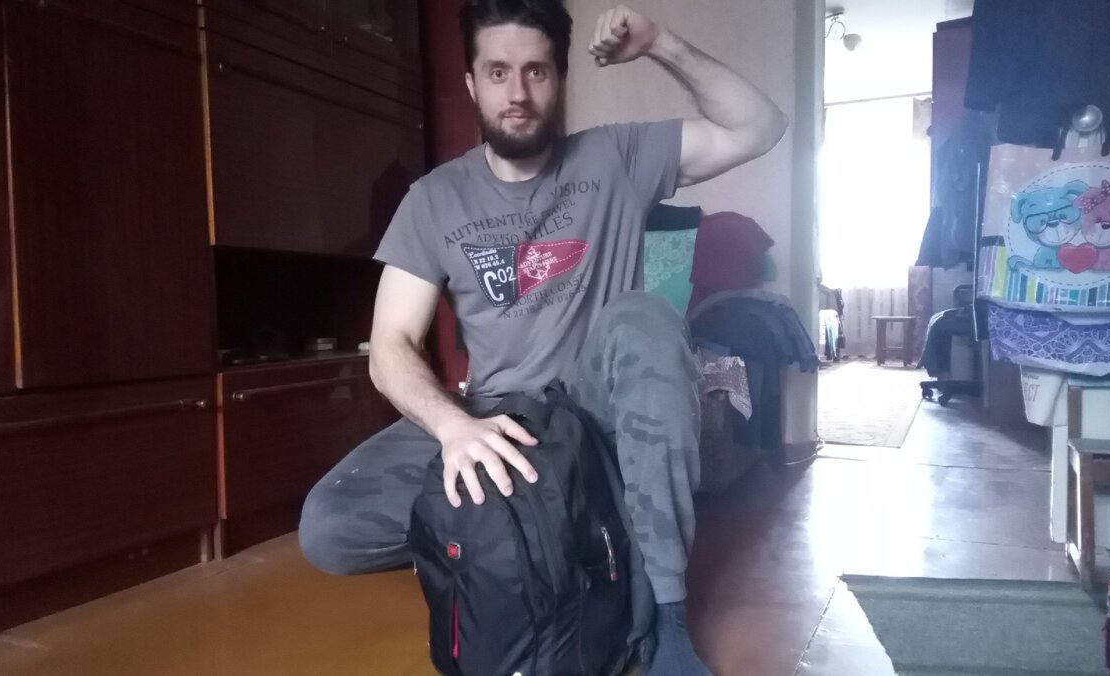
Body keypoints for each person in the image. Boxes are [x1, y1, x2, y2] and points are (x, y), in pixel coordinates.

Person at [298, 2, 786, 673]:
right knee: (330, 525)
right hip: (492, 415)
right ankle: (537, 532)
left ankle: (666, 623)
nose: (518, 93)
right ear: (472, 83)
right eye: (498, 72)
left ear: (560, 79)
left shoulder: (618, 156)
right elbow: (389, 347)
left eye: (536, 71)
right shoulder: (434, 200)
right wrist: (453, 427)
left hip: (594, 414)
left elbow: (760, 126)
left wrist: (660, 43)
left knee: (647, 315)